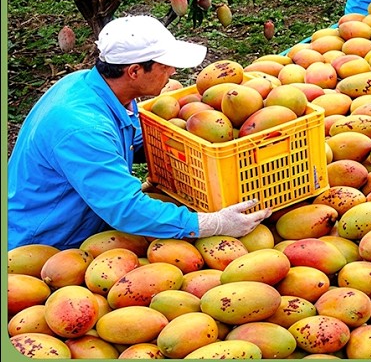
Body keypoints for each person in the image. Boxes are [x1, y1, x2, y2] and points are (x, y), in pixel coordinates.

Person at [6, 16, 272, 250]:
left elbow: (130, 136)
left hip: (85, 221)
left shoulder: (93, 86)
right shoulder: (83, 128)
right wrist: (211, 223)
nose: (173, 71)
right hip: (47, 242)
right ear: (134, 71)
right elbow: (124, 209)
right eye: (165, 65)